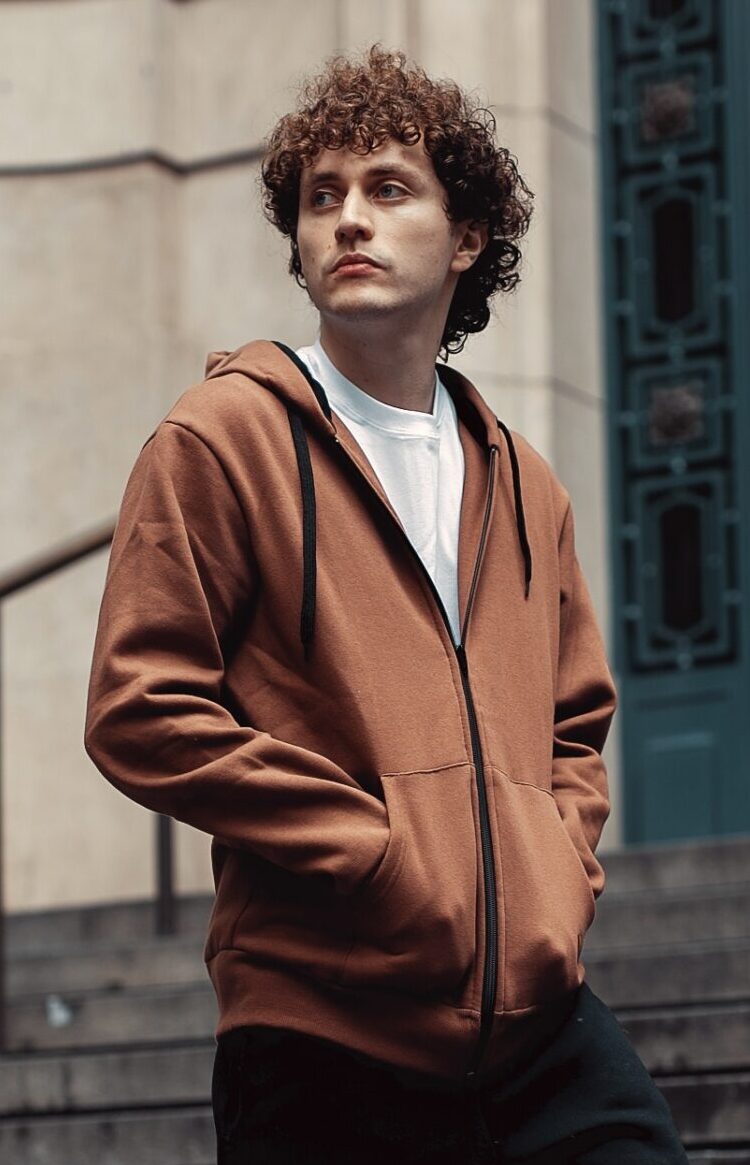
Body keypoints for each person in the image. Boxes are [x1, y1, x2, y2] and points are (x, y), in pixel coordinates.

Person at [84, 43, 689, 1165]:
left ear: (467, 238)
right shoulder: (223, 439)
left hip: (540, 1030)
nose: (349, 219)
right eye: (322, 198)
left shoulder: (524, 482)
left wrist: (554, 875)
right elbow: (139, 707)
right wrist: (371, 848)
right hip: (325, 1031)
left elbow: (574, 725)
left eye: (388, 188)